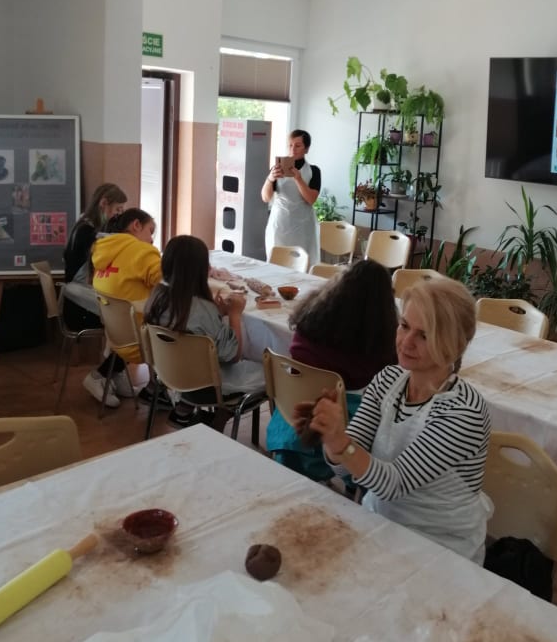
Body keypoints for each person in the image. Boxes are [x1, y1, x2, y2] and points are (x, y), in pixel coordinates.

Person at [309, 277, 493, 563]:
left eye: (424, 335)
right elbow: (345, 468)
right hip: (380, 519)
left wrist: (341, 442)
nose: (406, 342)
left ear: (454, 345)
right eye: (404, 326)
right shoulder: (388, 379)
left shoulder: (463, 412)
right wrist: (333, 440)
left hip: (440, 544)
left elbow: (393, 484)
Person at [266, 259, 397, 480]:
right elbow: (385, 378)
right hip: (339, 423)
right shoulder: (379, 338)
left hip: (290, 412)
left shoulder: (311, 315)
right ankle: (357, 483)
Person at [143, 235, 265, 422]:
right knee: (269, 369)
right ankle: (218, 421)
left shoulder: (157, 296)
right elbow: (233, 356)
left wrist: (217, 314)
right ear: (200, 270)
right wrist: (234, 315)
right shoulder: (202, 309)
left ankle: (184, 410)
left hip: (169, 375)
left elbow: (195, 325)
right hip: (206, 386)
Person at [63, 183, 128, 407]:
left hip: (76, 294)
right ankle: (100, 376)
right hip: (78, 305)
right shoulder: (88, 232)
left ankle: (115, 373)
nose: (118, 215)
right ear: (104, 204)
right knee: (130, 325)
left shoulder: (84, 224)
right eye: (117, 209)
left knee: (127, 318)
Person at [87, 208, 162, 400]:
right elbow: (168, 284)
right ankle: (168, 394)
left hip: (116, 335)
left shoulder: (103, 250)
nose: (152, 240)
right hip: (141, 338)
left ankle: (116, 375)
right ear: (136, 225)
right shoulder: (142, 252)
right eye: (150, 231)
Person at [261, 129, 320, 266]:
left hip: (303, 226)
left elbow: (311, 199)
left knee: (302, 264)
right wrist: (270, 179)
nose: (293, 149)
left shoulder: (314, 171)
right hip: (280, 224)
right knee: (276, 263)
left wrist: (298, 178)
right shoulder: (277, 169)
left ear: (306, 149)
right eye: (290, 145)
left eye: (298, 145)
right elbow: (265, 197)